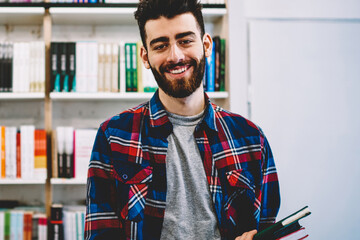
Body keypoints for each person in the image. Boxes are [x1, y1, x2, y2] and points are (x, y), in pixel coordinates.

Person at [85, 0, 280, 239]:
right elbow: (100, 233)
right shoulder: (113, 136)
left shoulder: (251, 138)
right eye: (160, 46)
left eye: (185, 40)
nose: (175, 56)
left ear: (206, 45)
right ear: (145, 57)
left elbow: (268, 228)